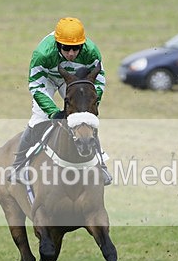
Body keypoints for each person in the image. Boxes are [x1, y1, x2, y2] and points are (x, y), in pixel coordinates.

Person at [11, 16, 112, 185]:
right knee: (39, 119)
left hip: (75, 81)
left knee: (87, 119)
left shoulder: (92, 52)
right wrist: (53, 112)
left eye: (76, 48)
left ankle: (101, 165)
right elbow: (36, 86)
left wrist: (91, 103)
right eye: (66, 48)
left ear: (83, 44)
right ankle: (18, 166)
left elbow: (98, 81)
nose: (71, 54)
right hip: (47, 81)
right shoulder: (43, 54)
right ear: (58, 44)